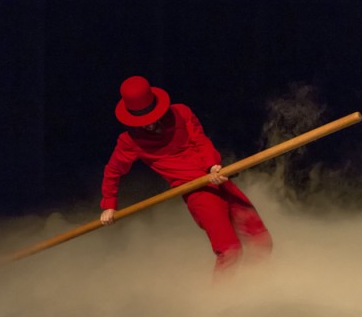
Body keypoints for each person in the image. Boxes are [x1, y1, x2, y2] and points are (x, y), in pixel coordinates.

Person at [100, 75, 273, 277]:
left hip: (217, 179)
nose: (148, 125)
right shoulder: (129, 141)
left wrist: (212, 166)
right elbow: (113, 171)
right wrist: (109, 205)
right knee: (230, 251)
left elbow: (200, 140)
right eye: (141, 121)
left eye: (151, 118)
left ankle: (256, 286)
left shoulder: (181, 113)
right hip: (197, 193)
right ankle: (222, 303)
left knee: (261, 240)